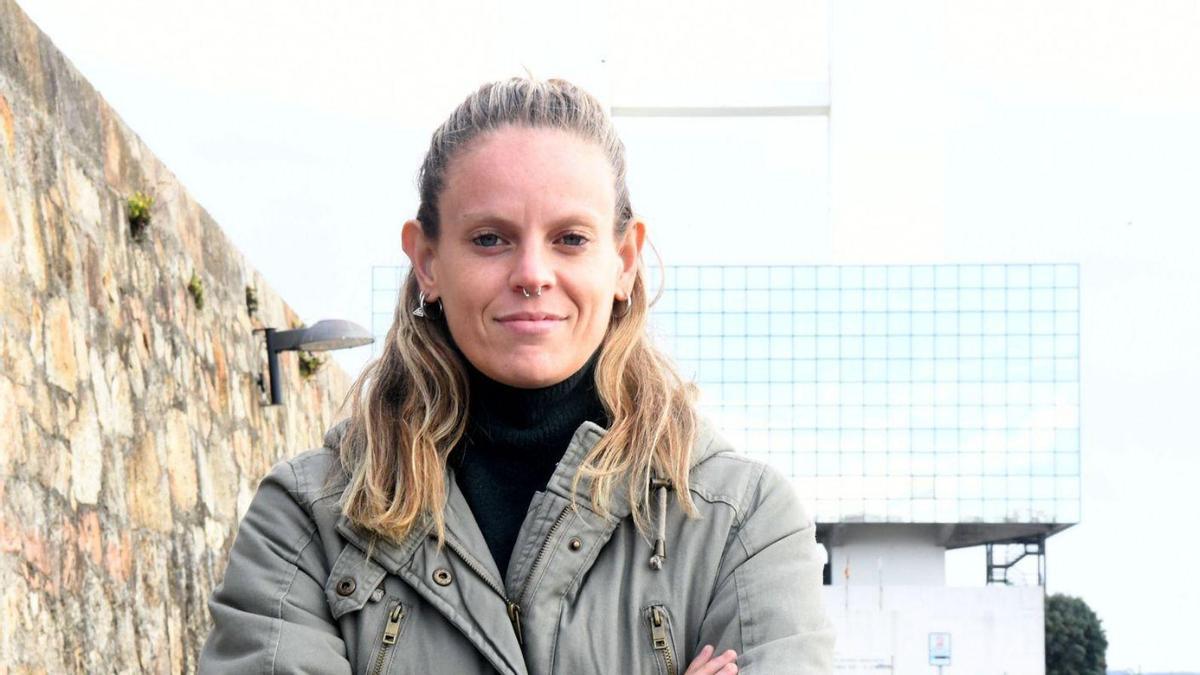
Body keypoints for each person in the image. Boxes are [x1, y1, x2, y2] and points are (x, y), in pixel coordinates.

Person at [199, 77, 834, 674]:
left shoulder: (741, 523)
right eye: (490, 239)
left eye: (571, 239)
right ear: (427, 260)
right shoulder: (307, 520)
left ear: (625, 261)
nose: (532, 272)